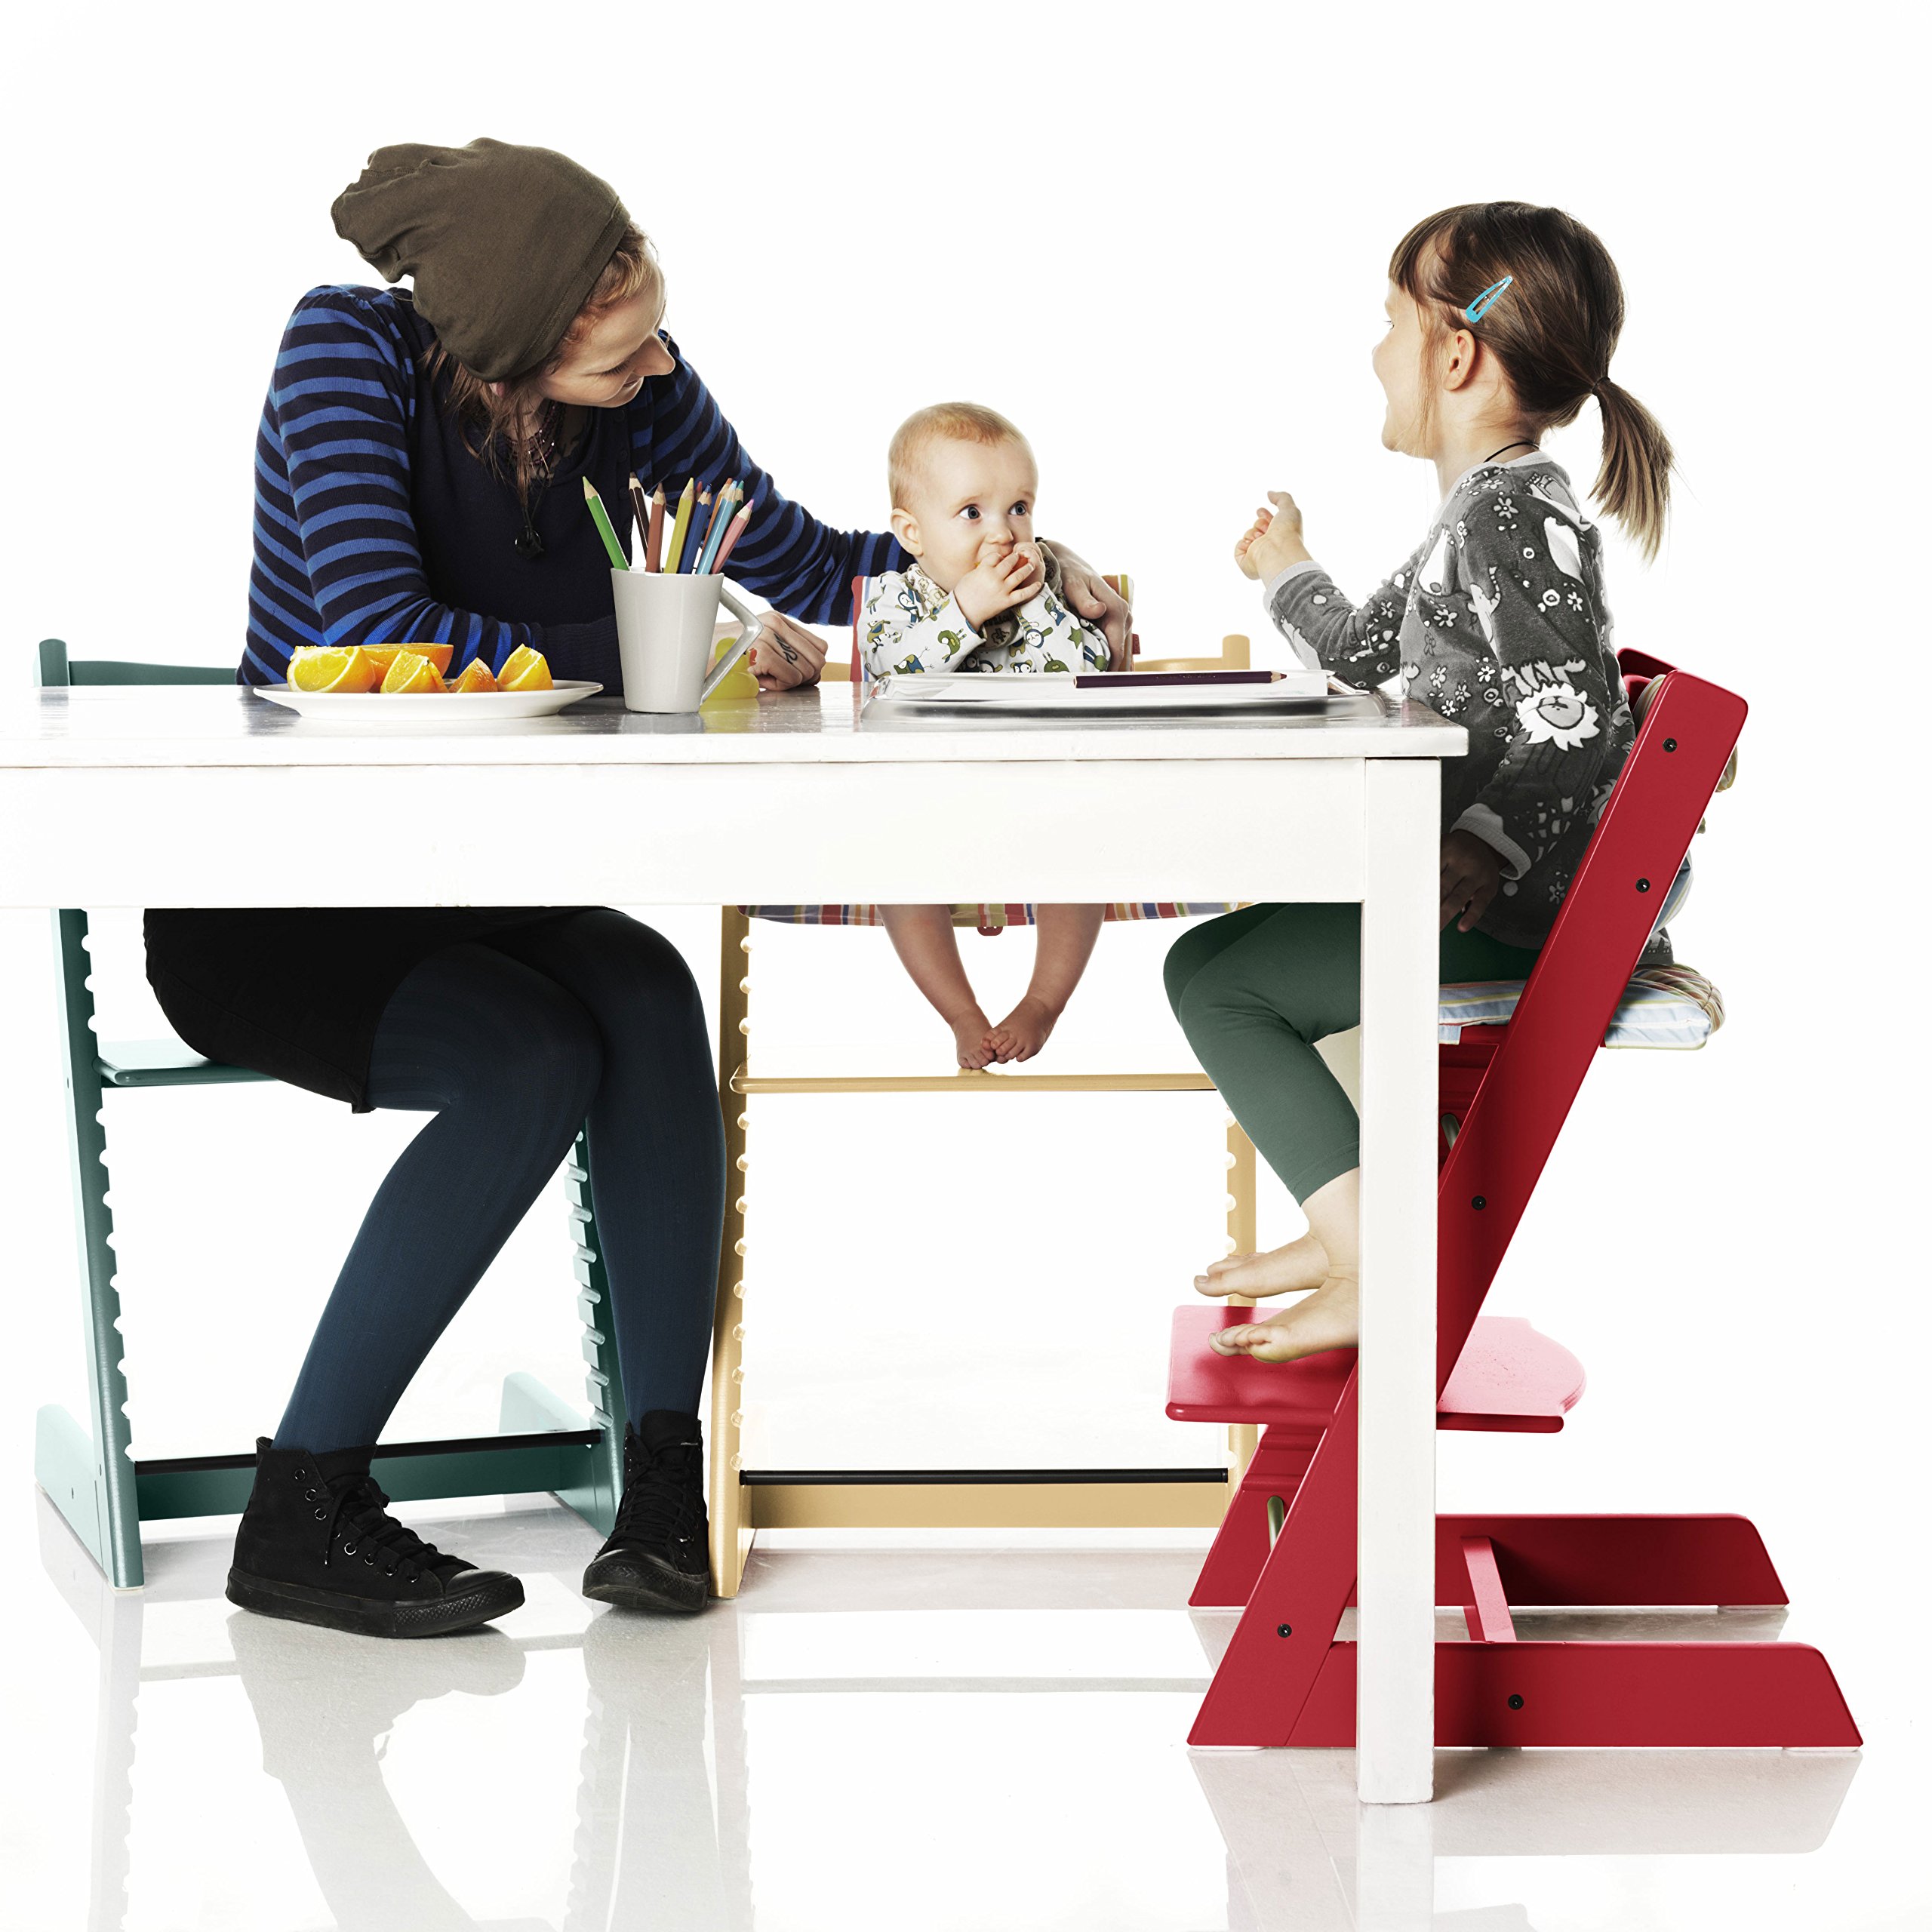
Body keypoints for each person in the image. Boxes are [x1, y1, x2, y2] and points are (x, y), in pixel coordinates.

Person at [145, 139, 1137, 1638]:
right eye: (622, 352)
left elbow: (818, 566)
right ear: (516, 344)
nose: (661, 364)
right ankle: (303, 1510)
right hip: (283, 896)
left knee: (646, 988)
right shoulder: (347, 354)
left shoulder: (648, 401)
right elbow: (377, 622)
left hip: (476, 881)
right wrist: (681, 653)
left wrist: (1020, 563)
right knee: (534, 1055)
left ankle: (664, 1494)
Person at [1170, 201, 1668, 1364]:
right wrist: (1288, 569)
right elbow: (1360, 655)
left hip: (1512, 913)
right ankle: (1347, 1222)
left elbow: (1574, 718)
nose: (1375, 350)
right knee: (1205, 963)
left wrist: (1486, 844)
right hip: (1482, 891)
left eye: (1391, 322)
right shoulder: (1479, 512)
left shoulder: (1511, 515)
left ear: (1455, 354)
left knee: (1225, 989)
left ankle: (1372, 1255)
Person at [857, 403, 1112, 1067]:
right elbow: (891, 675)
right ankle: (961, 1014)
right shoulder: (891, 599)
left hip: (1043, 795)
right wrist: (966, 610)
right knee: (898, 880)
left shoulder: (1049, 590)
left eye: (1019, 508)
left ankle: (1043, 1002)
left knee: (1083, 862)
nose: (1003, 532)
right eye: (972, 512)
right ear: (912, 532)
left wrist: (1039, 602)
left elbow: (1086, 672)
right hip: (928, 801)